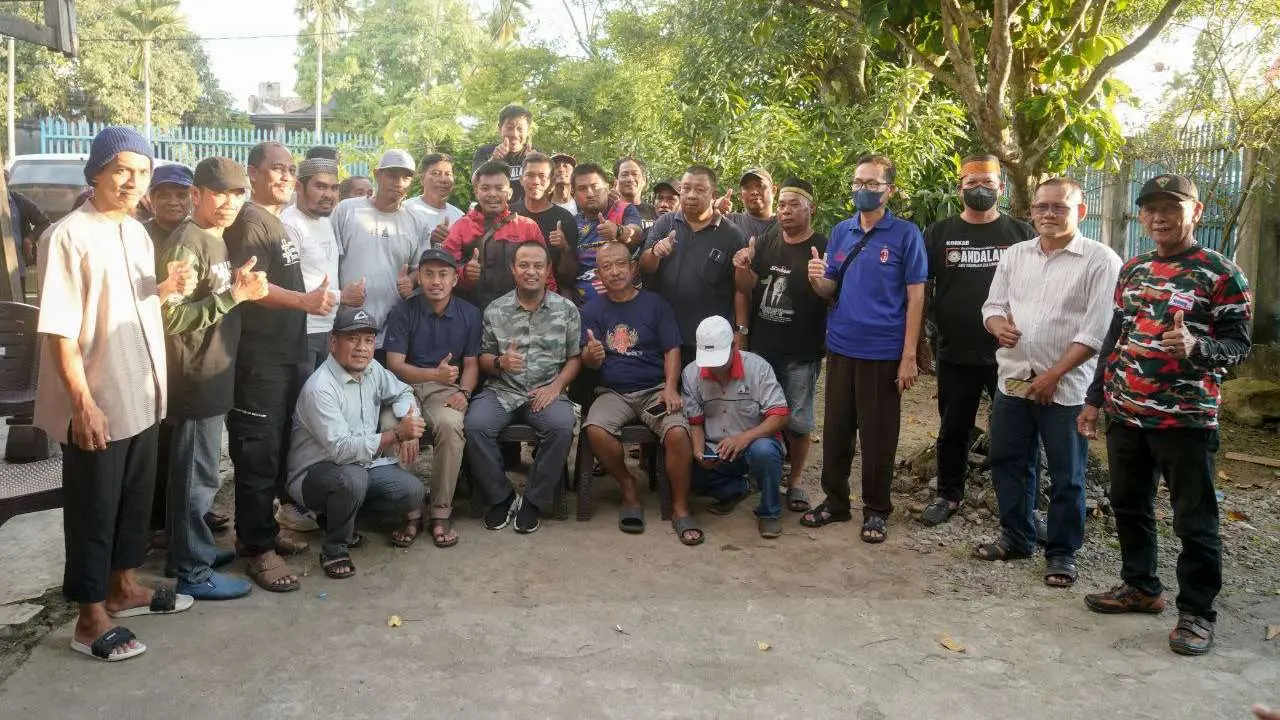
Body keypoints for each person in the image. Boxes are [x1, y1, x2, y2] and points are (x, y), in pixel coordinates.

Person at [34, 126, 197, 662]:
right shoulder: (67, 236)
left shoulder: (136, 233)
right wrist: (83, 404)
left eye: (142, 171)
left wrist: (164, 289)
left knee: (132, 502)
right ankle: (89, 618)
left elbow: (127, 301)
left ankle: (123, 588)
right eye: (121, 169)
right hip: (98, 399)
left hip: (141, 394)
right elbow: (59, 328)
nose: (132, 181)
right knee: (93, 510)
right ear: (97, 172)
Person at [1079, 174, 1252, 656]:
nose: (1159, 217)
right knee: (1128, 504)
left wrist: (1198, 346)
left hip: (1186, 420)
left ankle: (1197, 612)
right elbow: (1115, 338)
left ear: (1195, 212)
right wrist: (1095, 399)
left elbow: (1239, 347)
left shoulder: (1221, 274)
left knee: (1194, 520)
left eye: (1171, 208)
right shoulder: (1133, 270)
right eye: (1151, 209)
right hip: (1126, 413)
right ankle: (1141, 587)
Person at [974, 177, 1121, 589]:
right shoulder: (1016, 255)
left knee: (1067, 473)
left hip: (1066, 388)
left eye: (1060, 207)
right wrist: (997, 325)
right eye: (1042, 207)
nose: (1049, 214)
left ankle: (1061, 552)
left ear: (1081, 212)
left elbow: (1097, 331)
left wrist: (1053, 375)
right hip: (1014, 381)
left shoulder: (1100, 261)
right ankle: (1017, 537)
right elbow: (992, 304)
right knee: (1009, 462)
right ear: (1032, 211)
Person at [225, 142, 337, 594]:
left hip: (286, 355)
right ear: (252, 173)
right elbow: (250, 284)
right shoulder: (250, 222)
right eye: (277, 169)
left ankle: (264, 532)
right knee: (257, 453)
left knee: (277, 451)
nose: (286, 176)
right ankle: (257, 549)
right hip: (259, 362)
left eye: (291, 169)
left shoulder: (277, 221)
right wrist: (304, 301)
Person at [157, 157, 269, 601]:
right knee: (196, 478)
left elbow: (211, 294)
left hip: (214, 371)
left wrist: (233, 287)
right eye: (219, 193)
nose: (229, 202)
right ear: (196, 195)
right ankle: (192, 571)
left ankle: (190, 551)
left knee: (198, 473)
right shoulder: (187, 242)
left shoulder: (214, 237)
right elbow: (171, 317)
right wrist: (235, 296)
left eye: (238, 194)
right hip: (195, 376)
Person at [800, 154, 926, 545]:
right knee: (837, 429)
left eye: (872, 183)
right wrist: (816, 279)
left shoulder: (905, 234)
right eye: (858, 182)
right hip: (841, 347)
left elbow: (916, 296)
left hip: (883, 352)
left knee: (878, 436)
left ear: (890, 190)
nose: (863, 190)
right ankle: (836, 501)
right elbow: (829, 288)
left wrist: (909, 356)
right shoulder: (842, 231)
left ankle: (876, 510)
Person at [919, 155, 1037, 526]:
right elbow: (921, 288)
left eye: (987, 182)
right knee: (953, 429)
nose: (980, 189)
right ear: (960, 189)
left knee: (1018, 430)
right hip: (955, 351)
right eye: (971, 182)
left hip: (1013, 354)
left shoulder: (1021, 233)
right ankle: (948, 495)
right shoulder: (938, 233)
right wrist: (924, 336)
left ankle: (1021, 506)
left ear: (1001, 187)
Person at [287, 306, 427, 579]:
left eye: (368, 340)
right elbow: (342, 450)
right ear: (333, 343)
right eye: (353, 339)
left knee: (413, 491)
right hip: (314, 475)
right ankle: (335, 548)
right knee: (352, 480)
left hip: (360, 467)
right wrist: (397, 434)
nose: (362, 348)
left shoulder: (372, 368)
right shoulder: (321, 388)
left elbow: (403, 392)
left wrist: (409, 418)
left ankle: (335, 517)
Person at [580, 242, 699, 544]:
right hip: (612, 391)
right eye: (606, 267)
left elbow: (672, 349)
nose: (615, 271)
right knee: (595, 429)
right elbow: (588, 361)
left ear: (633, 268)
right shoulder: (591, 310)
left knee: (678, 433)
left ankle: (680, 507)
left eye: (621, 264)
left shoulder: (656, 305)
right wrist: (592, 355)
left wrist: (670, 387)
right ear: (598, 274)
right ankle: (628, 486)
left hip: (655, 389)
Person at [464, 242, 581, 534]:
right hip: (502, 389)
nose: (531, 271)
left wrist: (556, 387)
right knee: (475, 426)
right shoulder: (495, 310)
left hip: (546, 391)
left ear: (548, 270)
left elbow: (574, 358)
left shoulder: (566, 309)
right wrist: (500, 362)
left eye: (538, 266)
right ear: (513, 269)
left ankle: (533, 500)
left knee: (562, 426)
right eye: (524, 265)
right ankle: (502, 497)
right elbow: (484, 357)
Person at [732, 177, 827, 513]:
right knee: (758, 413)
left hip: (802, 351)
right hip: (763, 348)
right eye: (782, 205)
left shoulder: (823, 246)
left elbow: (832, 295)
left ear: (811, 208)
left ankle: (796, 481)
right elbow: (746, 286)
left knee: (798, 421)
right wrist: (742, 266)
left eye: (794, 205)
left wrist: (820, 279)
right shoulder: (766, 242)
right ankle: (760, 474)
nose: (785, 211)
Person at [383, 247, 483, 547]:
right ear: (420, 278)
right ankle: (409, 510)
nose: (435, 281)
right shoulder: (403, 310)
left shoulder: (469, 313)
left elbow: (471, 364)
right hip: (404, 390)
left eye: (443, 274)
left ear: (455, 279)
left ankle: (441, 511)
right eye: (428, 274)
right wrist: (432, 374)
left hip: (445, 390)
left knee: (451, 425)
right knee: (389, 426)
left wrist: (464, 392)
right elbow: (394, 365)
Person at [682, 316, 790, 539]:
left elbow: (780, 416)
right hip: (716, 449)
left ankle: (769, 512)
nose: (715, 366)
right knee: (687, 469)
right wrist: (699, 453)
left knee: (764, 452)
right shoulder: (691, 374)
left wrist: (744, 438)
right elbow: (696, 422)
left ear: (734, 346)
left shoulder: (758, 368)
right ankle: (740, 488)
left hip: (755, 445)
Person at [639, 165, 748, 368]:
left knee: (704, 387)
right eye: (686, 188)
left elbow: (741, 289)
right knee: (667, 386)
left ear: (713, 194)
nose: (691, 195)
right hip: (664, 334)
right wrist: (655, 252)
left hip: (709, 339)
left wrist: (741, 330)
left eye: (699, 190)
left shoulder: (732, 234)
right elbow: (644, 267)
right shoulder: (665, 223)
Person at [332, 149, 423, 359]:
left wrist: (411, 280)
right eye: (392, 175)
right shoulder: (347, 210)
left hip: (391, 329)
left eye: (406, 177)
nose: (399, 183)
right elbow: (329, 260)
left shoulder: (414, 221)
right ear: (377, 174)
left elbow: (418, 267)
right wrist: (340, 296)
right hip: (346, 325)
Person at [442, 160, 551, 310]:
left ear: (510, 193)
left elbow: (546, 272)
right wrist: (465, 273)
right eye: (485, 188)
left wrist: (549, 308)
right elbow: (443, 270)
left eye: (499, 188)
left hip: (519, 311)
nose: (492, 194)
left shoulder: (527, 227)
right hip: (473, 310)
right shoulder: (461, 226)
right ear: (476, 192)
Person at [282, 154, 348, 370]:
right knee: (305, 390)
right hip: (302, 331)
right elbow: (290, 283)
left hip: (327, 328)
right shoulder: (290, 224)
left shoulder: (325, 220)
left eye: (334, 188)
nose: (328, 194)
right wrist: (342, 296)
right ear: (299, 187)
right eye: (320, 186)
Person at [572, 162, 642, 304]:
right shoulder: (572, 222)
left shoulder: (624, 209)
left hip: (626, 302)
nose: (590, 193)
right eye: (582, 188)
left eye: (595, 186)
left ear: (607, 187)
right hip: (584, 306)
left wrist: (619, 231)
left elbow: (636, 234)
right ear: (573, 194)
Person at [511, 152, 579, 295]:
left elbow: (569, 278)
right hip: (509, 294)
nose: (536, 181)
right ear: (521, 180)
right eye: (530, 175)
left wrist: (564, 248)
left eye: (542, 176)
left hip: (550, 296)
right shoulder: (508, 214)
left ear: (552, 183)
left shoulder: (565, 218)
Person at [471, 104, 536, 205]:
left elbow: (547, 188)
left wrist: (535, 165)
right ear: (499, 128)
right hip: (493, 210)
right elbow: (475, 181)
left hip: (526, 212)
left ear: (528, 130)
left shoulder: (535, 154)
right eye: (510, 128)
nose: (514, 134)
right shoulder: (486, 151)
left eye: (520, 129)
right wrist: (493, 160)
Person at [406, 152, 466, 253]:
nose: (443, 180)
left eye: (448, 174)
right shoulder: (407, 210)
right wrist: (431, 242)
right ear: (422, 179)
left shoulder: (460, 217)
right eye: (436, 173)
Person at [142, 164, 193, 249]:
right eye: (164, 195)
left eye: (181, 195)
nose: (173, 203)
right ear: (152, 198)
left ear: (193, 198)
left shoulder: (201, 234)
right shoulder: (138, 234)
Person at [721, 167, 776, 240]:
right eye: (747, 187)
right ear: (741, 196)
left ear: (773, 191)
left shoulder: (784, 223)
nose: (754, 192)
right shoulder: (730, 222)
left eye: (760, 186)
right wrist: (714, 210)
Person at [614, 157, 658, 229]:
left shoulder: (655, 212)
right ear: (616, 181)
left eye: (635, 174)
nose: (630, 179)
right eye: (624, 175)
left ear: (644, 181)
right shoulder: (609, 210)